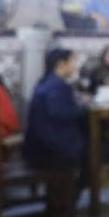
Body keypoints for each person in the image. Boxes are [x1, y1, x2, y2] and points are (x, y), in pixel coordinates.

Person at [23, 48, 89, 188]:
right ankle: (67, 204)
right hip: (50, 150)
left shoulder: (45, 82)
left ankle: (63, 201)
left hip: (38, 145)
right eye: (72, 61)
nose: (75, 65)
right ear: (61, 64)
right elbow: (60, 112)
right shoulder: (57, 86)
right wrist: (83, 108)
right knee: (93, 153)